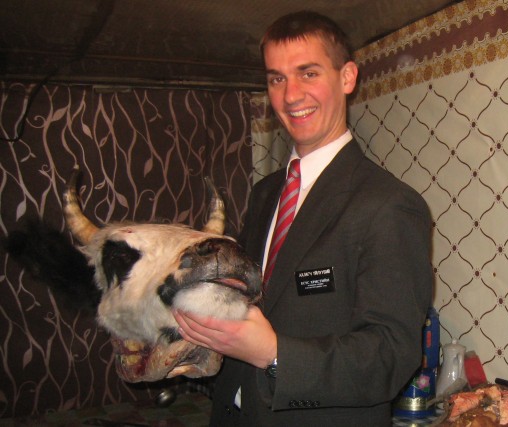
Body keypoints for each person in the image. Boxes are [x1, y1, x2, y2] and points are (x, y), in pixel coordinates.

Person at [174, 10, 433, 426]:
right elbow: (258, 298)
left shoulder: (388, 204)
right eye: (276, 78)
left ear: (347, 77)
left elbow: (391, 355)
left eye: (308, 73)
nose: (291, 95)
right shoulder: (265, 192)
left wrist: (274, 353)